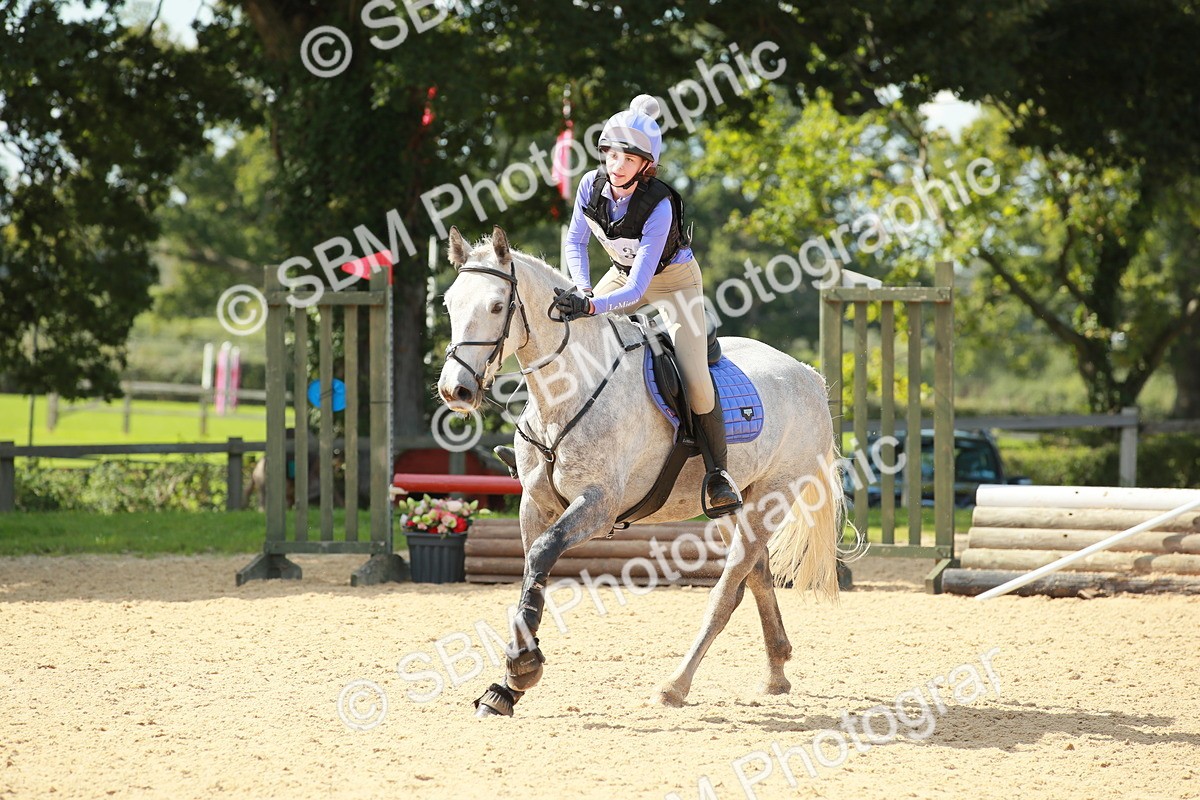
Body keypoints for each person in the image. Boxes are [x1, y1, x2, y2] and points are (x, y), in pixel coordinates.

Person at [496, 94, 742, 517]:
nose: (616, 163)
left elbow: (637, 289)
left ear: (645, 165)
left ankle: (719, 474)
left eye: (627, 158)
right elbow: (574, 241)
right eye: (610, 154)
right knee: (562, 333)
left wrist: (592, 307)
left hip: (673, 283)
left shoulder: (660, 205)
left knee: (696, 376)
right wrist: (583, 290)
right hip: (619, 273)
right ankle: (535, 443)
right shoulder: (590, 187)